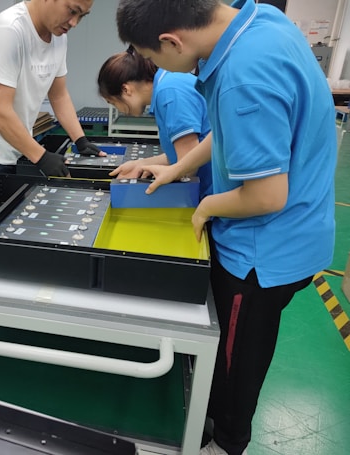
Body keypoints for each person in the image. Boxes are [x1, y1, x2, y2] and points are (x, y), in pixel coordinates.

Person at [115, 1, 337, 455]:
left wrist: (206, 208)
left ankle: (227, 442)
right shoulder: (260, 24)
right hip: (301, 229)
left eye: (153, 59)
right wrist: (179, 169)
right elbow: (227, 128)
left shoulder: (242, 76)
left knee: (238, 363)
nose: (157, 69)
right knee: (234, 354)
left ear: (172, 40)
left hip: (263, 252)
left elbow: (265, 195)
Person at [0, 0, 105, 195]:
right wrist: (42, 157)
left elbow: (59, 95)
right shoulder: (10, 30)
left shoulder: (58, 36)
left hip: (18, 147)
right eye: (72, 11)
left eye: (82, 16)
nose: (74, 23)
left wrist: (80, 140)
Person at [97, 47, 212, 199]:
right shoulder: (166, 84)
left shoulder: (170, 91)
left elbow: (188, 167)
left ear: (126, 89)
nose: (119, 109)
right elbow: (184, 156)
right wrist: (141, 164)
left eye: (112, 102)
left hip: (216, 195)